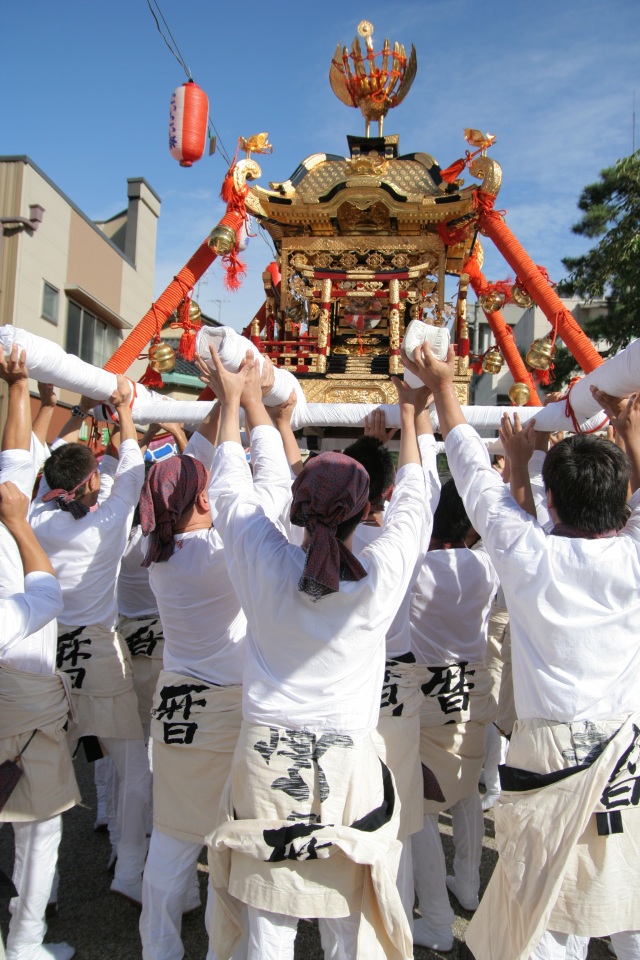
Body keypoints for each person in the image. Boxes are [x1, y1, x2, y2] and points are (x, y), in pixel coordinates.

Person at [404, 342, 640, 960]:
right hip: (624, 746)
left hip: (551, 751)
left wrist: (446, 389)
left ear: (552, 503)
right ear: (624, 500)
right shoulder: (632, 556)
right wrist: (627, 433)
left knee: (544, 921)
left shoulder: (531, 555)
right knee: (624, 898)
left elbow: (474, 479)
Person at [201, 345, 430, 960]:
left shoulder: (261, 558)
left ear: (297, 508)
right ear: (364, 515)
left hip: (266, 748)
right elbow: (413, 502)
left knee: (268, 919)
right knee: (347, 919)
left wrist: (241, 401)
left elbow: (231, 485)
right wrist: (412, 419)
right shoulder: (377, 579)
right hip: (347, 753)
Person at [29, 379, 150, 906]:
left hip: (43, 652)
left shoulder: (31, 518)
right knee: (134, 768)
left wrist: (71, 410)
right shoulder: (105, 525)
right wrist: (123, 412)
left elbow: (43, 464)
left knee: (43, 773)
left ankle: (42, 889)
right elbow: (135, 470)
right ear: (88, 482)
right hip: (98, 650)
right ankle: (128, 870)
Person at [0, 344, 79, 960]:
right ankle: (25, 941)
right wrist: (23, 384)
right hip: (21, 681)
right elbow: (46, 599)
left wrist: (27, 389)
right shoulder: (17, 516)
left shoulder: (13, 496)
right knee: (41, 825)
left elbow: (16, 455)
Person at [409, 477, 498, 952]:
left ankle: (439, 922)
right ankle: (467, 883)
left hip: (428, 696)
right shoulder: (486, 565)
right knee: (466, 793)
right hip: (473, 689)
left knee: (421, 806)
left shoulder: (416, 567)